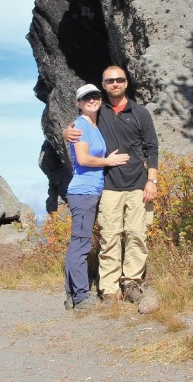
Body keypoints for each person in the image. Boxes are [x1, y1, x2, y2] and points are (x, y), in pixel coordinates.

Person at [64, 66, 159, 304]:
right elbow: (80, 124)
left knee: (137, 235)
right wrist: (67, 131)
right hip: (109, 187)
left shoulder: (140, 113)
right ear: (104, 85)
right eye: (109, 81)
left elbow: (152, 149)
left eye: (119, 80)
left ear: (126, 83)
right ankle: (108, 289)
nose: (115, 84)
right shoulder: (99, 110)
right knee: (109, 238)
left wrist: (152, 181)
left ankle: (132, 284)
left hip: (138, 185)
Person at [64, 83, 129, 310]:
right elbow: (82, 159)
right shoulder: (81, 125)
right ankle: (80, 295)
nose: (92, 100)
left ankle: (72, 295)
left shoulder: (93, 125)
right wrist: (107, 161)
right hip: (83, 192)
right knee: (81, 243)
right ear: (78, 104)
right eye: (86, 98)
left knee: (79, 242)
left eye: (95, 96)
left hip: (90, 191)